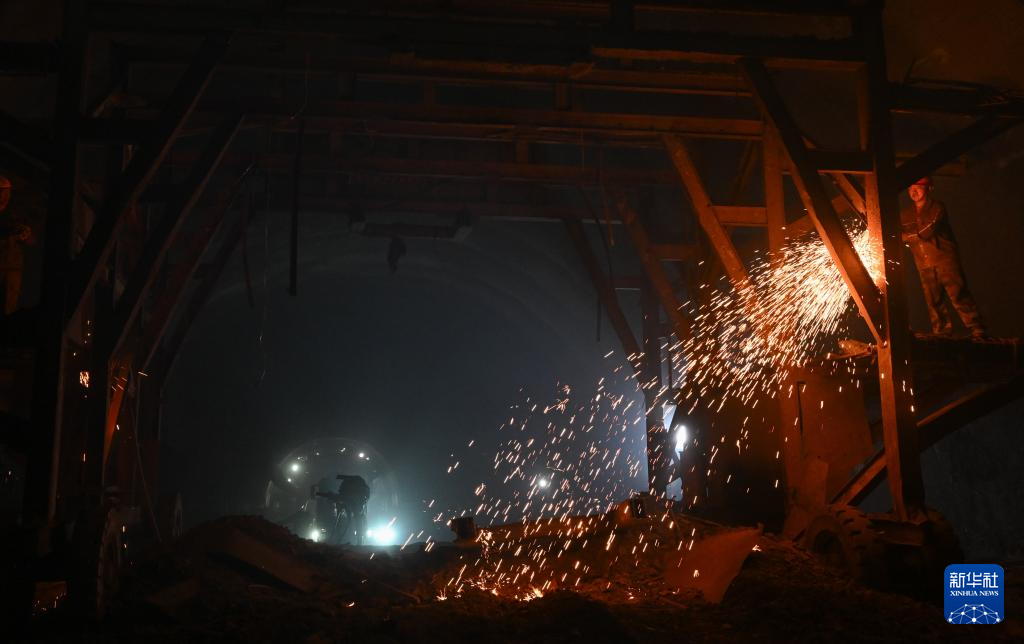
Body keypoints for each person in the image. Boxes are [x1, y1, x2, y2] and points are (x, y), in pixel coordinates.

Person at [901, 177, 986, 339]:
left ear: (929, 188)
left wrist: (905, 236)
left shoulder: (937, 208)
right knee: (933, 301)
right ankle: (941, 332)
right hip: (923, 263)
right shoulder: (906, 215)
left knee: (958, 294)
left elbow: (927, 231)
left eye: (918, 187)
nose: (913, 191)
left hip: (944, 259)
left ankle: (977, 328)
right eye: (910, 188)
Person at [0, 177, 33, 315]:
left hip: (12, 268)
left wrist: (26, 235)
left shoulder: (16, 214)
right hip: (8, 265)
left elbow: (31, 240)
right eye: (1, 192)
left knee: (8, 307)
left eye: (6, 193)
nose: (3, 197)